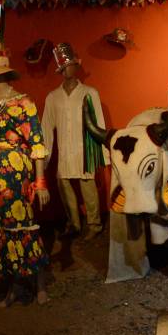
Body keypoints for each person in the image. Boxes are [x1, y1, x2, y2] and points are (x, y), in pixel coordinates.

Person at [0, 48, 51, 307]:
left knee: (22, 227)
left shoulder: (23, 103)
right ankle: (12, 287)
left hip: (14, 177)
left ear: (4, 73)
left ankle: (39, 284)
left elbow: (37, 143)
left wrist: (40, 183)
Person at [41, 43, 108, 240]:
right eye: (63, 67)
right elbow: (46, 128)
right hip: (64, 151)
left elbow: (99, 124)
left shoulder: (90, 93)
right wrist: (44, 159)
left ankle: (94, 224)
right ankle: (74, 223)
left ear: (76, 66)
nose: (66, 70)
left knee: (88, 187)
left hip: (84, 150)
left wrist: (102, 155)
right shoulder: (53, 97)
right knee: (64, 187)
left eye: (69, 65)